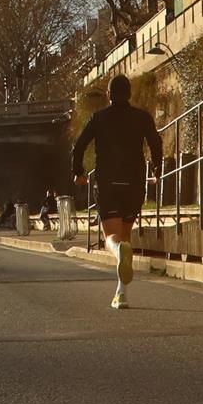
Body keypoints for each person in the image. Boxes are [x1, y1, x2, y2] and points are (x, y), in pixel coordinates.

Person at [71, 73, 164, 309]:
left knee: (112, 240)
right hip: (134, 182)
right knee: (125, 235)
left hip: (108, 182)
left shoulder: (99, 118)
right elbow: (155, 143)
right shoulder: (143, 117)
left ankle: (118, 256)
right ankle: (121, 293)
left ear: (109, 95)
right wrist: (157, 168)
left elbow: (79, 144)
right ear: (130, 94)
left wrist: (78, 171)